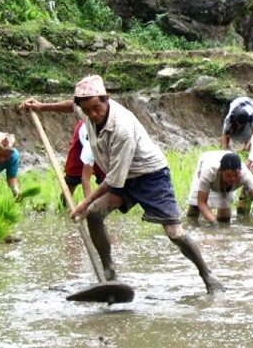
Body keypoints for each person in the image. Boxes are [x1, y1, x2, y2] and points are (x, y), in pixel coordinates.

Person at [19, 75, 223, 294]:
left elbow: (113, 180)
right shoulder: (87, 110)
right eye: (87, 111)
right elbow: (73, 106)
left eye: (97, 108)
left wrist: (83, 203)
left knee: (174, 233)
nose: (93, 114)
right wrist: (41, 107)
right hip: (123, 176)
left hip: (150, 175)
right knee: (95, 213)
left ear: (106, 99)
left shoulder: (121, 128)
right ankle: (108, 271)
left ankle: (207, 275)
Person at [187, 150, 253, 225]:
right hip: (206, 163)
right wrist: (215, 224)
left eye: (236, 175)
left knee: (225, 218)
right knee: (194, 209)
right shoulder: (208, 171)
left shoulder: (245, 174)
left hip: (226, 187)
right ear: (221, 170)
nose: (233, 179)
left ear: (240, 171)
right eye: (229, 176)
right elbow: (202, 203)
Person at [64, 119, 105, 201]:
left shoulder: (118, 143)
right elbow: (85, 180)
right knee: (72, 177)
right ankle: (64, 203)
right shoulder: (91, 148)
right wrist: (89, 204)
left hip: (103, 145)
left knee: (106, 179)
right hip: (82, 137)